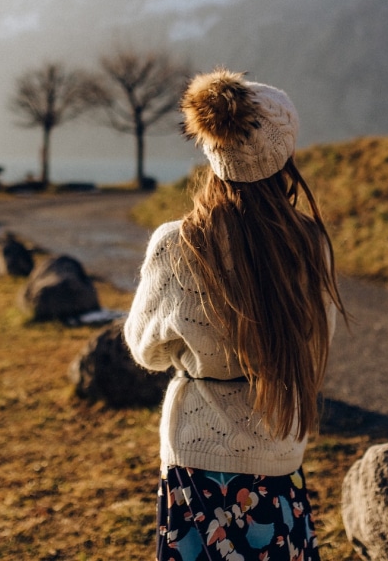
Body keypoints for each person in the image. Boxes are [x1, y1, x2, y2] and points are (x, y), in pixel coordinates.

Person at [124, 68, 347, 561]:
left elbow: (146, 349)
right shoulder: (311, 246)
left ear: (213, 150)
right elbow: (316, 341)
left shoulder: (177, 245)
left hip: (197, 459)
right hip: (279, 453)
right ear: (284, 155)